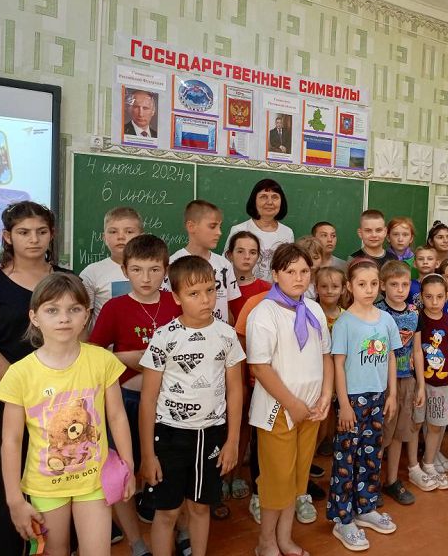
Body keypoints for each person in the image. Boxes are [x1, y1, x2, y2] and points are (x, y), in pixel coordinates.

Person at [0, 273, 134, 556]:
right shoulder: (20, 373)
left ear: (86, 316)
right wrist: (14, 500)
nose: (64, 318)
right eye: (52, 310)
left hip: (94, 481)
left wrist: (128, 466)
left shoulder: (102, 360)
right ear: (34, 317)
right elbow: (11, 440)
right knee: (55, 550)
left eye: (74, 309)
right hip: (45, 486)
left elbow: (117, 417)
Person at [0, 200, 66, 556]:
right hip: (8, 401)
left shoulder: (66, 280)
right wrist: (28, 392)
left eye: (41, 232)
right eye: (24, 232)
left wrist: (55, 393)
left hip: (60, 405)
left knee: (57, 490)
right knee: (3, 494)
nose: (33, 239)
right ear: (7, 237)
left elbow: (78, 341)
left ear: (51, 234)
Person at [139, 256, 245, 556]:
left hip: (211, 434)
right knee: (167, 512)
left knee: (200, 508)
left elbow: (235, 390)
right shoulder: (164, 337)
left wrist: (233, 441)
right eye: (194, 293)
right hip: (170, 435)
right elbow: (148, 399)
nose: (205, 299)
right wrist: (147, 454)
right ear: (176, 297)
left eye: (210, 290)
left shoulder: (226, 335)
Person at [89, 234, 181, 556]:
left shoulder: (175, 302)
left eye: (154, 270)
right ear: (125, 270)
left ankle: (180, 529)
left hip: (170, 402)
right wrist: (128, 357)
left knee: (170, 469)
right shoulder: (115, 307)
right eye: (137, 270)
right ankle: (137, 543)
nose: (146, 278)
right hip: (127, 401)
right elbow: (93, 354)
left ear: (165, 270)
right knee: (123, 472)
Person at [246, 244, 334, 556]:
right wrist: (292, 404)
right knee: (276, 480)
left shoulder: (314, 310)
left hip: (310, 410)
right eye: (290, 271)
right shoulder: (264, 313)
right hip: (278, 411)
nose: (298, 278)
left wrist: (326, 395)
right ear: (275, 274)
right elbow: (260, 367)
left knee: (297, 477)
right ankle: (266, 542)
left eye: (304, 271)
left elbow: (325, 355)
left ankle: (284, 538)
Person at [327, 258, 400, 551]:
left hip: (378, 397)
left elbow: (391, 357)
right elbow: (338, 364)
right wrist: (344, 404)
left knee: (371, 454)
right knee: (346, 458)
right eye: (361, 284)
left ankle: (366, 507)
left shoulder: (386, 319)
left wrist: (392, 394)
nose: (368, 289)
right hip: (352, 400)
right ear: (349, 286)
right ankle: (343, 518)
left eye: (373, 284)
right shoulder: (345, 323)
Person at [376, 260, 427, 503]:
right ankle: (371, 484)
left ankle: (392, 480)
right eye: (394, 284)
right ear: (383, 286)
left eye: (404, 284)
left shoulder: (414, 312)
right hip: (382, 382)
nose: (400, 289)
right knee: (380, 435)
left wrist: (421, 385)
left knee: (398, 433)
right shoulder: (377, 311)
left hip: (406, 379)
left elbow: (417, 350)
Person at [414, 274, 448, 490]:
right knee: (417, 423)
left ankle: (429, 462)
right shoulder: (417, 320)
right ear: (421, 297)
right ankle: (417, 465)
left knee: (436, 424)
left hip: (442, 385)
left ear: (446, 296)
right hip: (419, 382)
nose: (434, 302)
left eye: (440, 297)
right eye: (429, 297)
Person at [167, 199, 240, 324]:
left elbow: (227, 308)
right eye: (212, 226)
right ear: (191, 226)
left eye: (220, 227)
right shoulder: (172, 264)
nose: (219, 232)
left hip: (219, 332)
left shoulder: (224, 264)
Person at [79, 206, 143, 326]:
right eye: (113, 232)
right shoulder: (92, 272)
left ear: (141, 236)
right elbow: (83, 321)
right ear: (104, 238)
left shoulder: (157, 270)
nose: (121, 237)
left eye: (129, 232)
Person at [223, 179, 294, 282]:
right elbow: (225, 266)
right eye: (263, 197)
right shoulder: (239, 230)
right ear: (254, 201)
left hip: (274, 291)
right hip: (241, 288)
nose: (269, 202)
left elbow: (288, 268)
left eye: (275, 197)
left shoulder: (287, 233)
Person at [313, 266, 347, 460]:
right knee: (315, 423)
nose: (329, 291)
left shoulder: (347, 316)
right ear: (316, 288)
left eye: (335, 286)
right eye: (324, 286)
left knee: (328, 422)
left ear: (343, 289)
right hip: (315, 376)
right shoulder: (309, 312)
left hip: (338, 378)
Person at [226, 230, 272, 323]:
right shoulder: (219, 287)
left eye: (252, 252)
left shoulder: (267, 290)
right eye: (240, 251)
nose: (247, 256)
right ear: (230, 255)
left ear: (258, 257)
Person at [295, 235, 323, 300]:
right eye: (307, 258)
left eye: (316, 258)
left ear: (322, 258)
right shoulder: (291, 279)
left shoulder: (324, 278)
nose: (312, 262)